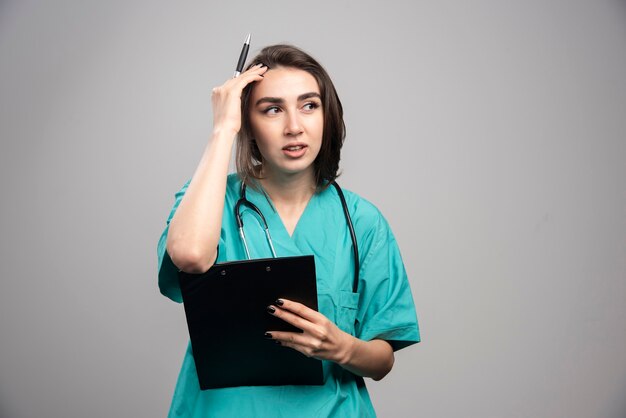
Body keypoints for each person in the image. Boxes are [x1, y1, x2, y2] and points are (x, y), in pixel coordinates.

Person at [157, 44, 420, 417]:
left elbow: (382, 359)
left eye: (309, 105)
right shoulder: (208, 197)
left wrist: (341, 347)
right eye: (273, 109)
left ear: (327, 115)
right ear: (248, 123)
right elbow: (190, 255)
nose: (294, 126)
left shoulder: (362, 222)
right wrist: (223, 130)